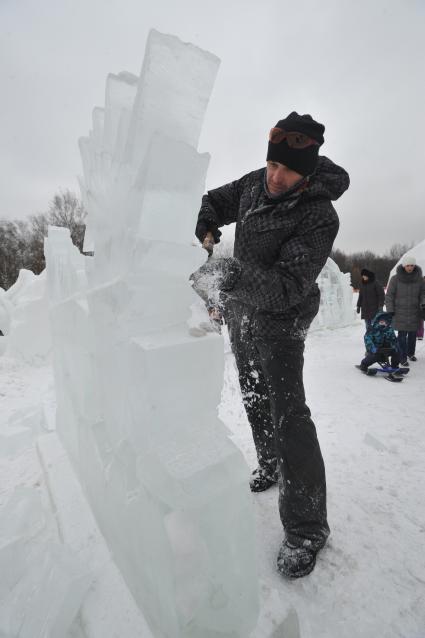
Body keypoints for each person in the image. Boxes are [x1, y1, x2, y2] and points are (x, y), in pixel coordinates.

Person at [194, 111, 350, 578]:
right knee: (254, 395)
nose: (276, 176)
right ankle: (270, 462)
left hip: (283, 318)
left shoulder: (320, 214)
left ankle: (307, 528)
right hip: (243, 311)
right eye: (272, 165)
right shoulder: (254, 183)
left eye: (287, 170)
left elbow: (288, 286)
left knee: (288, 413)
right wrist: (207, 225)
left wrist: (228, 274)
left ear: (307, 172)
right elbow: (212, 200)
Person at [385, 256, 425, 365]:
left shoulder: (419, 279)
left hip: (414, 312)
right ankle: (402, 357)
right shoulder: (395, 279)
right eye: (408, 265)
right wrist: (390, 310)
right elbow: (389, 296)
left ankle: (410, 353)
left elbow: (423, 293)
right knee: (402, 336)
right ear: (404, 266)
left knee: (412, 335)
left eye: (412, 265)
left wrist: (423, 303)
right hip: (400, 313)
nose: (410, 268)